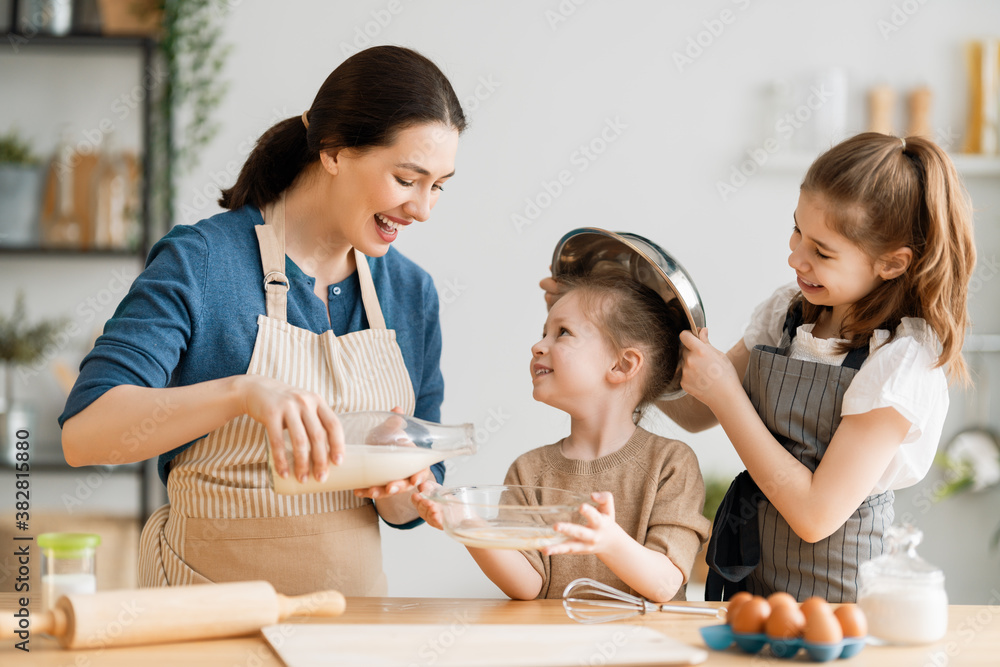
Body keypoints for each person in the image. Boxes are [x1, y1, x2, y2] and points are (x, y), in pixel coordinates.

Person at [59, 45, 466, 596]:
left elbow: (413, 503)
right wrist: (240, 394)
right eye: (406, 178)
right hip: (205, 625)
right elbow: (86, 436)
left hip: (351, 629)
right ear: (333, 152)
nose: (422, 209)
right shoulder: (204, 261)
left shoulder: (410, 292)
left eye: (438, 185)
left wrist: (404, 487)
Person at [659, 132, 976, 602]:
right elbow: (694, 410)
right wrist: (615, 340)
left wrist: (727, 394)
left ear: (891, 263)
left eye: (822, 252)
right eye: (797, 231)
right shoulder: (788, 313)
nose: (795, 258)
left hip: (838, 607)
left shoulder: (902, 361)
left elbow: (814, 515)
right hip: (754, 590)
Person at [414, 274, 711, 602]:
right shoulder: (528, 471)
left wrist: (610, 542)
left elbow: (665, 584)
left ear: (622, 364)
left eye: (562, 333)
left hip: (648, 650)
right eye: (544, 333)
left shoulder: (671, 464)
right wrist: (466, 525)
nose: (538, 345)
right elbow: (529, 586)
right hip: (556, 649)